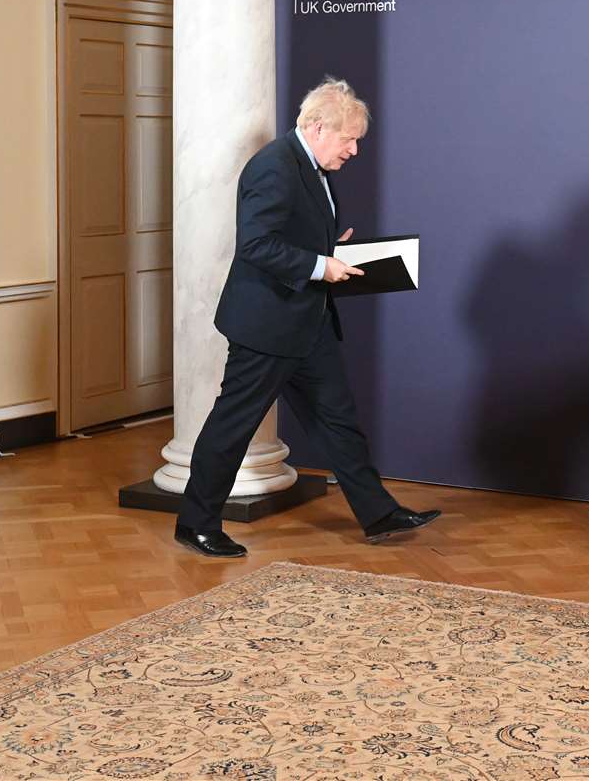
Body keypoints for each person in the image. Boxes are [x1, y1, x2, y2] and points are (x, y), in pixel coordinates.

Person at [174, 77, 440, 558]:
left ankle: (378, 513)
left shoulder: (310, 165)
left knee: (339, 420)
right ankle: (195, 524)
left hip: (307, 319)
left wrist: (330, 248)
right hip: (267, 325)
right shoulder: (274, 167)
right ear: (317, 128)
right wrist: (322, 265)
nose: (354, 150)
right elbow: (255, 244)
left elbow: (290, 233)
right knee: (232, 426)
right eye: (348, 139)